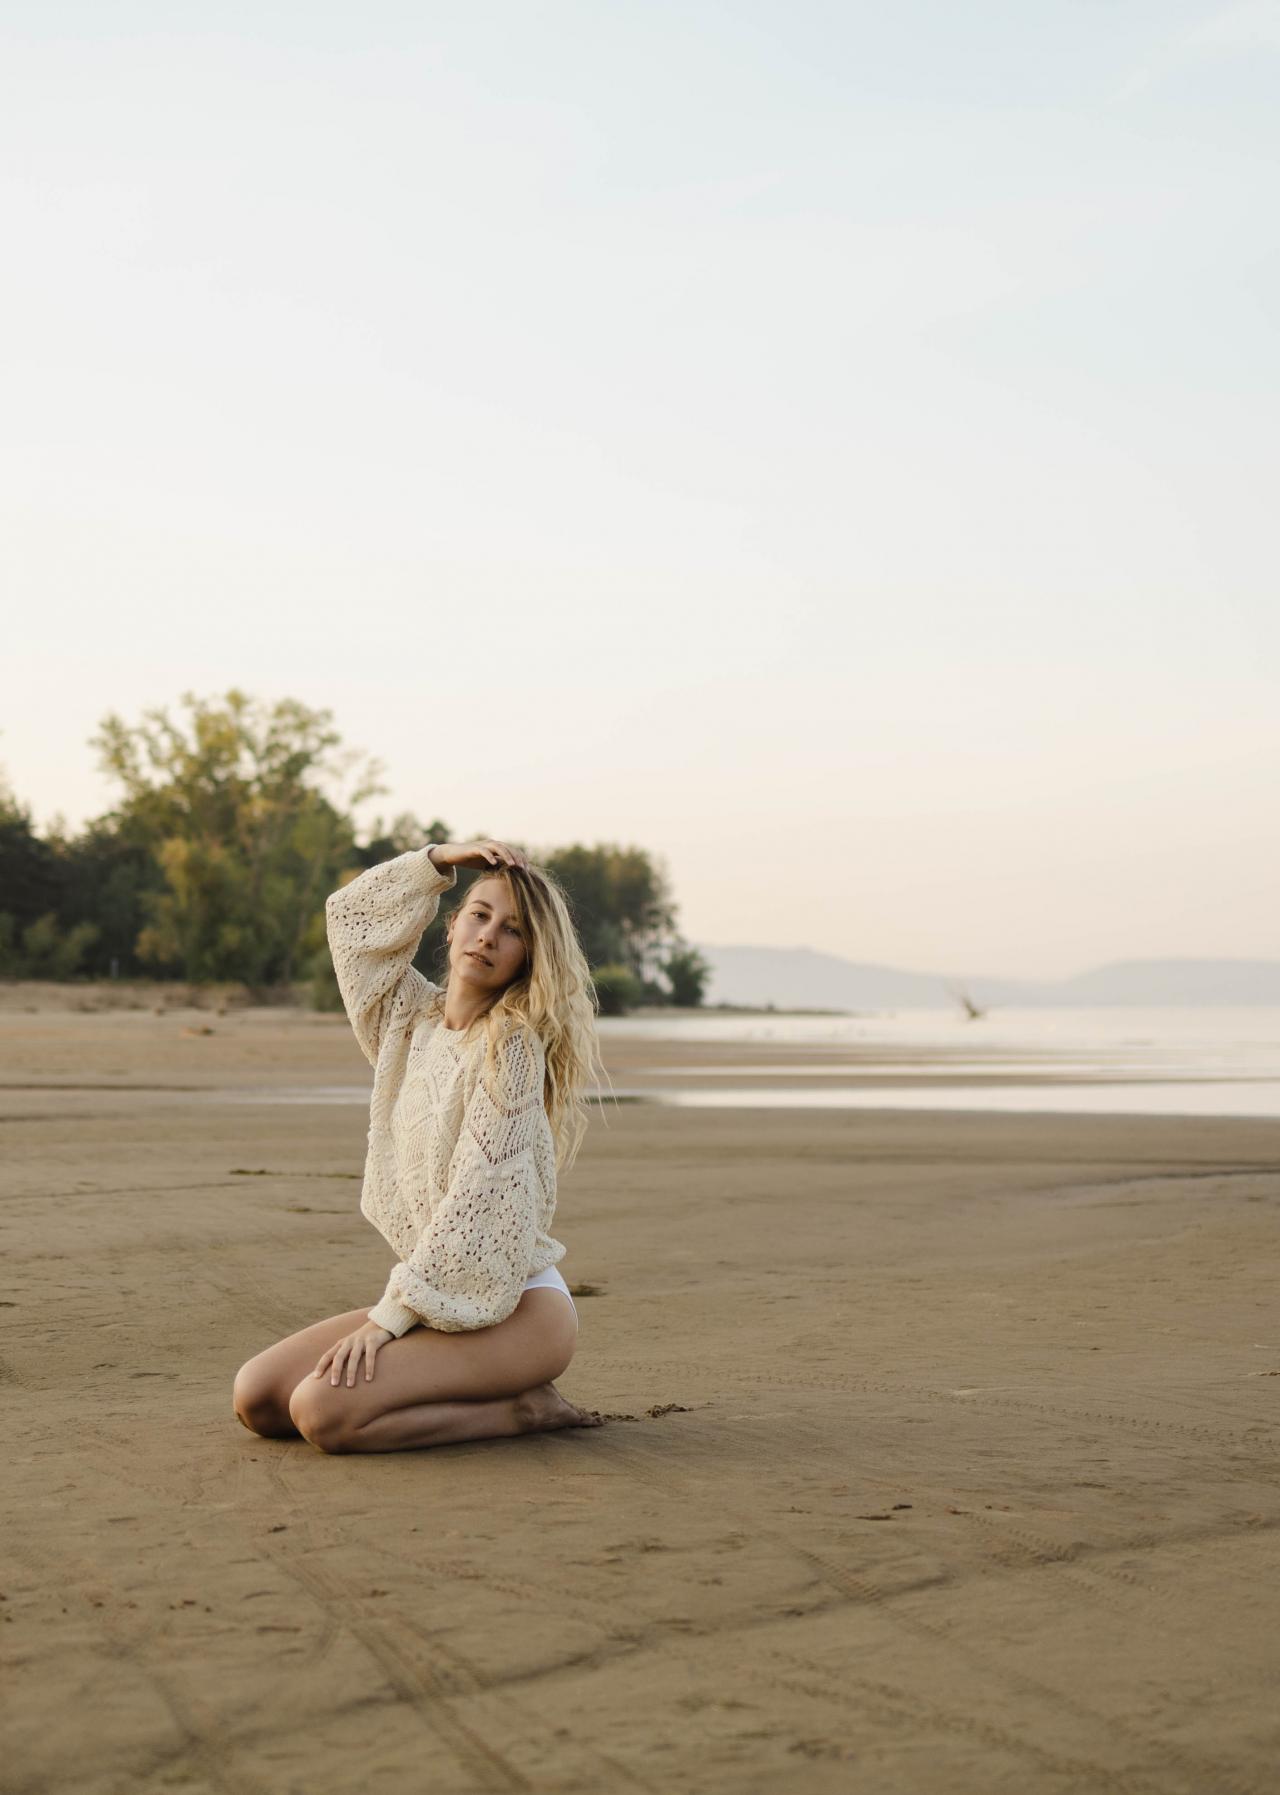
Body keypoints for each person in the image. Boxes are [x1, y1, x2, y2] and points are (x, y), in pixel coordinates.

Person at [233, 836, 608, 1453]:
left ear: (529, 956)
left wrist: (388, 1321)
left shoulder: (510, 1047)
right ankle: (459, 1380)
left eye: (513, 930)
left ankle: (523, 1408)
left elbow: (476, 1204)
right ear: (452, 925)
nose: (488, 936)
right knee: (259, 1396)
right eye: (480, 915)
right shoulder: (408, 1020)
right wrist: (437, 861)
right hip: (439, 1295)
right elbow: (349, 921)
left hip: (521, 1310)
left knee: (323, 1414)